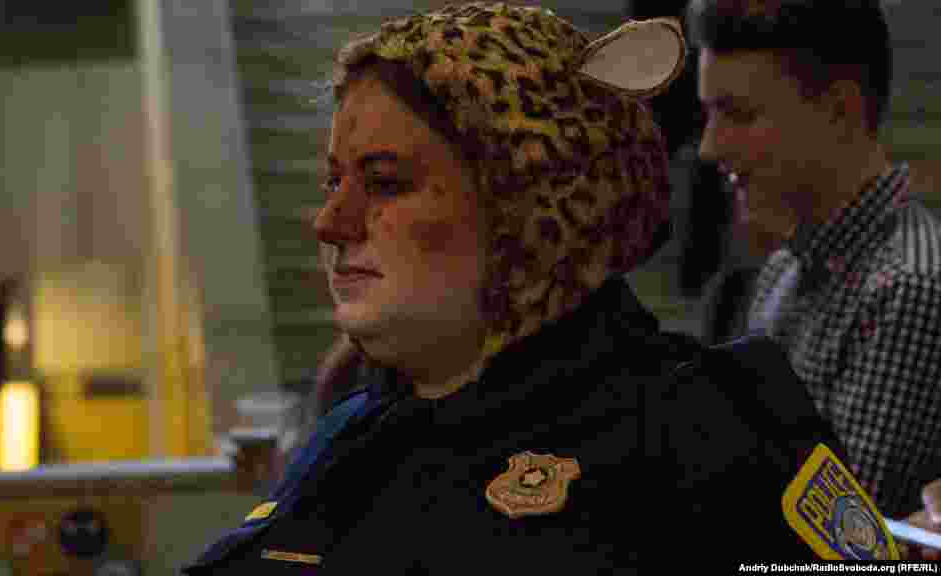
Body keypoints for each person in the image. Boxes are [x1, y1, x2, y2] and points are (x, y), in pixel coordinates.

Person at [183, 4, 877, 572]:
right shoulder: (351, 432)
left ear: (534, 206)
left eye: (386, 183)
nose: (330, 222)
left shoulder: (709, 432)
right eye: (333, 181)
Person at [689, 0, 941, 518]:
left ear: (840, 110)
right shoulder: (785, 265)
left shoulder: (908, 287)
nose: (709, 147)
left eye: (738, 114)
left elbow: (838, 537)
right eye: (709, 114)